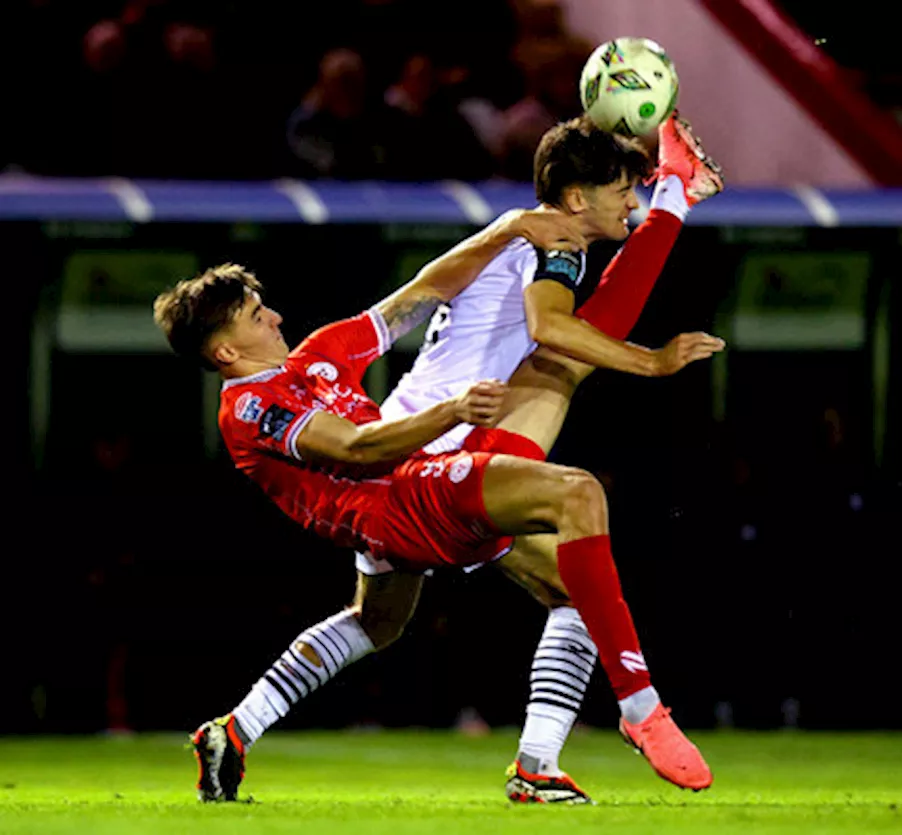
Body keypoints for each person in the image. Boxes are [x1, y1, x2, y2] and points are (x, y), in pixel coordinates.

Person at [154, 205, 718, 802]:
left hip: (385, 515)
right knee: (576, 497)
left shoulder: (313, 358)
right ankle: (598, 729)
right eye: (254, 314)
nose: (274, 315)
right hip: (402, 501)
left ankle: (234, 731)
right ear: (226, 354)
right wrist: (451, 411)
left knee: (380, 622)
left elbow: (421, 293)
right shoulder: (248, 409)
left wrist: (504, 231)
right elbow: (357, 447)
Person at [372, 112, 723, 804]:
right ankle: (640, 705)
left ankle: (539, 764)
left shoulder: (534, 237)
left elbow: (561, 335)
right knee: (578, 487)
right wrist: (651, 363)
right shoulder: (554, 241)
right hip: (420, 462)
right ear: (573, 198)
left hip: (433, 452)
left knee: (569, 591)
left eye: (640, 189)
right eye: (625, 189)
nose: (631, 201)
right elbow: (550, 325)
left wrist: (671, 206)